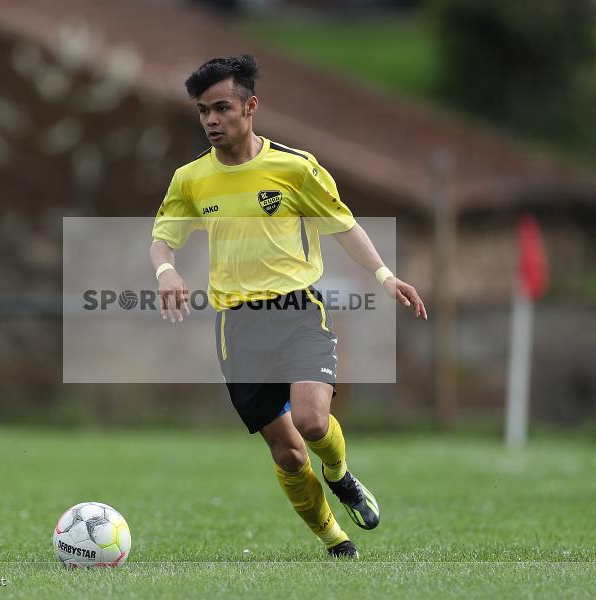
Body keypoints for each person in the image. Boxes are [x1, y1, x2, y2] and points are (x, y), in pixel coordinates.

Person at [150, 55, 427, 558]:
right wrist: (165, 270)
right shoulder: (190, 179)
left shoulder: (295, 167)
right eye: (202, 111)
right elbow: (162, 239)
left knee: (313, 422)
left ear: (250, 106)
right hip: (237, 326)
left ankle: (341, 476)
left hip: (299, 310)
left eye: (221, 108)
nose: (211, 120)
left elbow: (343, 226)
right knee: (289, 453)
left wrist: (385, 277)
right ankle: (334, 541)